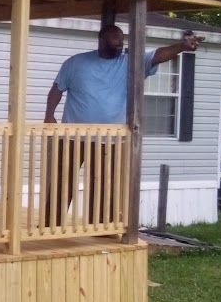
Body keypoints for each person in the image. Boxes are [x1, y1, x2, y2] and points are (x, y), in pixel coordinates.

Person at [41, 25, 202, 225]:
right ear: (101, 39)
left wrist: (182, 46)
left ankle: (101, 226)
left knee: (104, 184)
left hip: (110, 139)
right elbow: (57, 89)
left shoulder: (130, 63)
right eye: (115, 39)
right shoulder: (76, 63)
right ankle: (50, 224)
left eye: (121, 39)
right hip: (73, 135)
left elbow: (158, 55)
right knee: (62, 181)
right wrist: (49, 115)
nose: (120, 44)